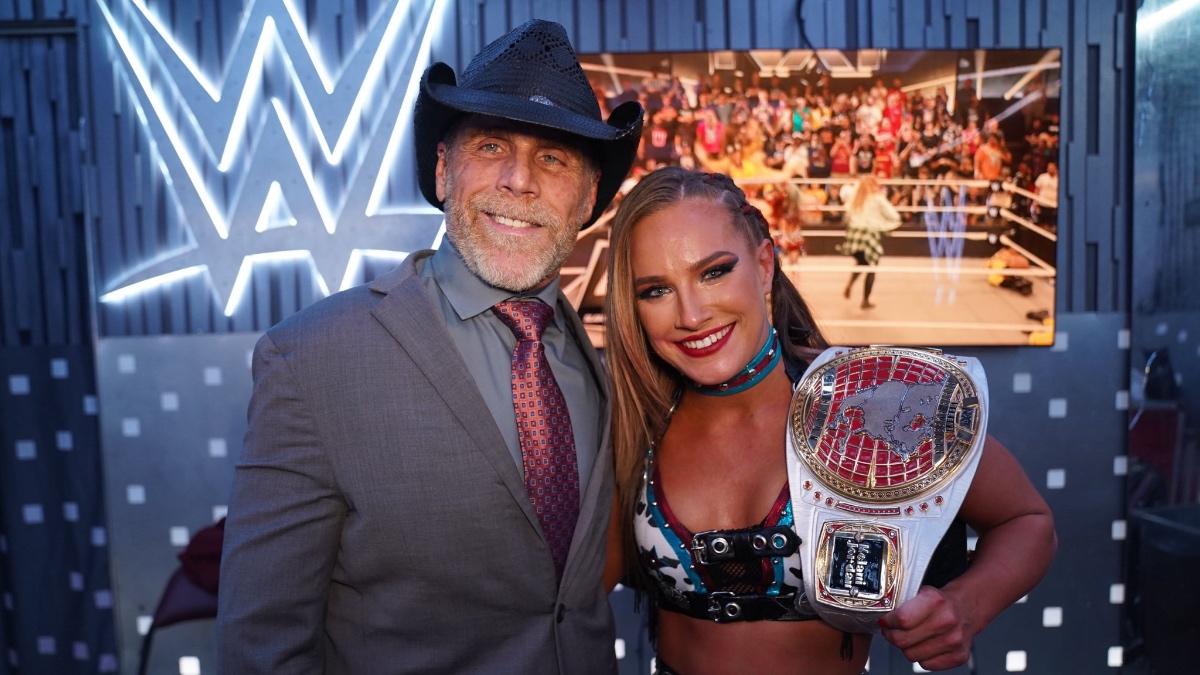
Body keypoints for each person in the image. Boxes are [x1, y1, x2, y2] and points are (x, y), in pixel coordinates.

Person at [216, 20, 643, 674]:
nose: (520, 181)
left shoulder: (607, 369)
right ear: (444, 171)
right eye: (493, 145)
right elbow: (262, 649)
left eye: (553, 157)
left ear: (588, 197)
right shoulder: (309, 361)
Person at [602, 166, 1056, 674]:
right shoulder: (632, 424)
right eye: (656, 291)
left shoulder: (871, 398)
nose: (690, 314)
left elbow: (1028, 522)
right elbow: (570, 588)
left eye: (714, 272)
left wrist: (968, 605)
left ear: (765, 263)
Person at [838, 176, 901, 309]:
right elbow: (894, 216)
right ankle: (865, 300)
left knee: (862, 262)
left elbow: (846, 215)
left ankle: (850, 284)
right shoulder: (877, 199)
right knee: (871, 267)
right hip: (869, 236)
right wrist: (883, 224)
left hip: (854, 236)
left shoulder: (855, 199)